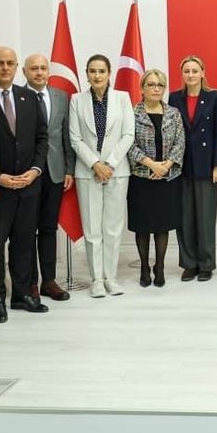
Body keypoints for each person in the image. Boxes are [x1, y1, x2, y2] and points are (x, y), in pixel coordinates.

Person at [0, 47, 49, 321]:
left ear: (16, 66)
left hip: (28, 185)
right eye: (0, 63)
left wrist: (35, 171)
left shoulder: (29, 97)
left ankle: (21, 294)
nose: (5, 68)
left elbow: (42, 138)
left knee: (24, 243)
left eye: (10, 63)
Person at [68, 54, 135, 298]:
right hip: (88, 172)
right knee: (92, 228)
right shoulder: (76, 100)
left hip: (117, 171)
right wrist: (95, 164)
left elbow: (128, 135)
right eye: (92, 71)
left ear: (109, 74)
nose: (97, 75)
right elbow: (75, 138)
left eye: (101, 71)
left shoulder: (122, 98)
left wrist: (110, 163)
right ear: (87, 74)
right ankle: (97, 279)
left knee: (113, 228)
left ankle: (111, 277)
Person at [22, 53, 75, 302]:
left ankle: (49, 281)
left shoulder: (60, 97)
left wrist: (69, 169)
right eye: (34, 68)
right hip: (28, 173)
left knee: (48, 228)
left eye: (43, 68)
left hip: (55, 172)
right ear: (24, 72)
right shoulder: (17, 96)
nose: (39, 72)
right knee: (27, 229)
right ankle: (31, 282)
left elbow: (66, 135)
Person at [169, 55, 217, 282]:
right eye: (187, 71)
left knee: (205, 217)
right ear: (182, 74)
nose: (191, 75)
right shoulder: (174, 98)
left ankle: (206, 264)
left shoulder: (215, 97)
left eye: (194, 71)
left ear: (203, 73)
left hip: (207, 165)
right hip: (181, 165)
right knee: (185, 218)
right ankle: (189, 263)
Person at [127, 69, 185, 288]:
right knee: (142, 226)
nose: (155, 88)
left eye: (160, 85)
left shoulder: (173, 113)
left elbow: (180, 142)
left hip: (167, 178)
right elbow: (128, 144)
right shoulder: (132, 113)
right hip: (141, 178)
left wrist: (166, 166)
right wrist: (151, 165)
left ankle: (159, 267)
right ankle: (144, 267)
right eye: (151, 84)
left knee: (162, 225)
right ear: (142, 88)